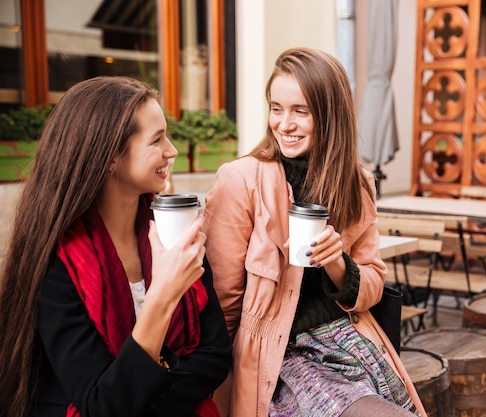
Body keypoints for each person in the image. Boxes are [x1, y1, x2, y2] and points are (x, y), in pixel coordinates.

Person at [203, 47, 428, 417]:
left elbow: (373, 279)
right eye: (276, 108)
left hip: (351, 341)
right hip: (281, 357)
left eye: (300, 111)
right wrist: (220, 390)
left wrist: (337, 263)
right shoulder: (241, 180)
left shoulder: (357, 184)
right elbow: (223, 301)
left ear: (329, 115)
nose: (284, 124)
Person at [0, 76, 232, 417]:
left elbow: (214, 354)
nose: (173, 150)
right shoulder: (57, 262)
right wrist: (163, 297)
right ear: (110, 157)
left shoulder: (171, 231)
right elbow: (101, 406)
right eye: (157, 140)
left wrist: (147, 405)